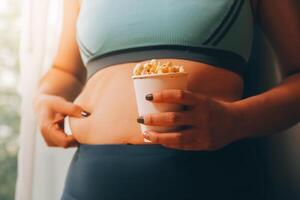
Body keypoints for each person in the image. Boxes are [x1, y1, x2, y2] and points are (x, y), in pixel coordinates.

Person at [34, 0, 300, 199]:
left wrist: (236, 121)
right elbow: (64, 71)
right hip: (91, 183)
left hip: (210, 179)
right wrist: (45, 98)